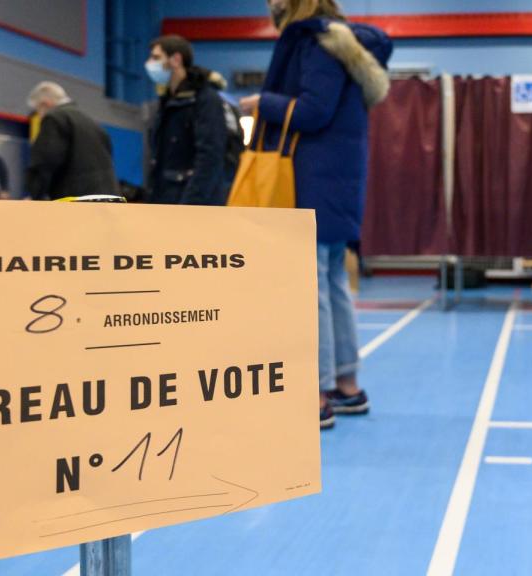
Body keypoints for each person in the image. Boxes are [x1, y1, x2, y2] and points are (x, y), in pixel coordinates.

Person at [241, 0, 391, 429]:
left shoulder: (314, 40)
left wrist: (261, 102)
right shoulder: (347, 43)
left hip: (312, 176)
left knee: (312, 287)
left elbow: (313, 110)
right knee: (332, 279)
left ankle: (317, 393)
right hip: (339, 178)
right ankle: (347, 387)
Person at [144, 35, 231, 205]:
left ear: (176, 59)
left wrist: (190, 206)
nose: (149, 64)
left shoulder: (206, 100)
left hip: (193, 204)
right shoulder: (167, 102)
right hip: (165, 200)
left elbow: (210, 158)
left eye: (156, 58)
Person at [25, 82, 118, 200]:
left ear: (45, 104)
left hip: (76, 199)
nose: (40, 115)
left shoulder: (55, 118)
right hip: (108, 197)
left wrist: (34, 195)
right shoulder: (92, 122)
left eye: (38, 111)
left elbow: (45, 162)